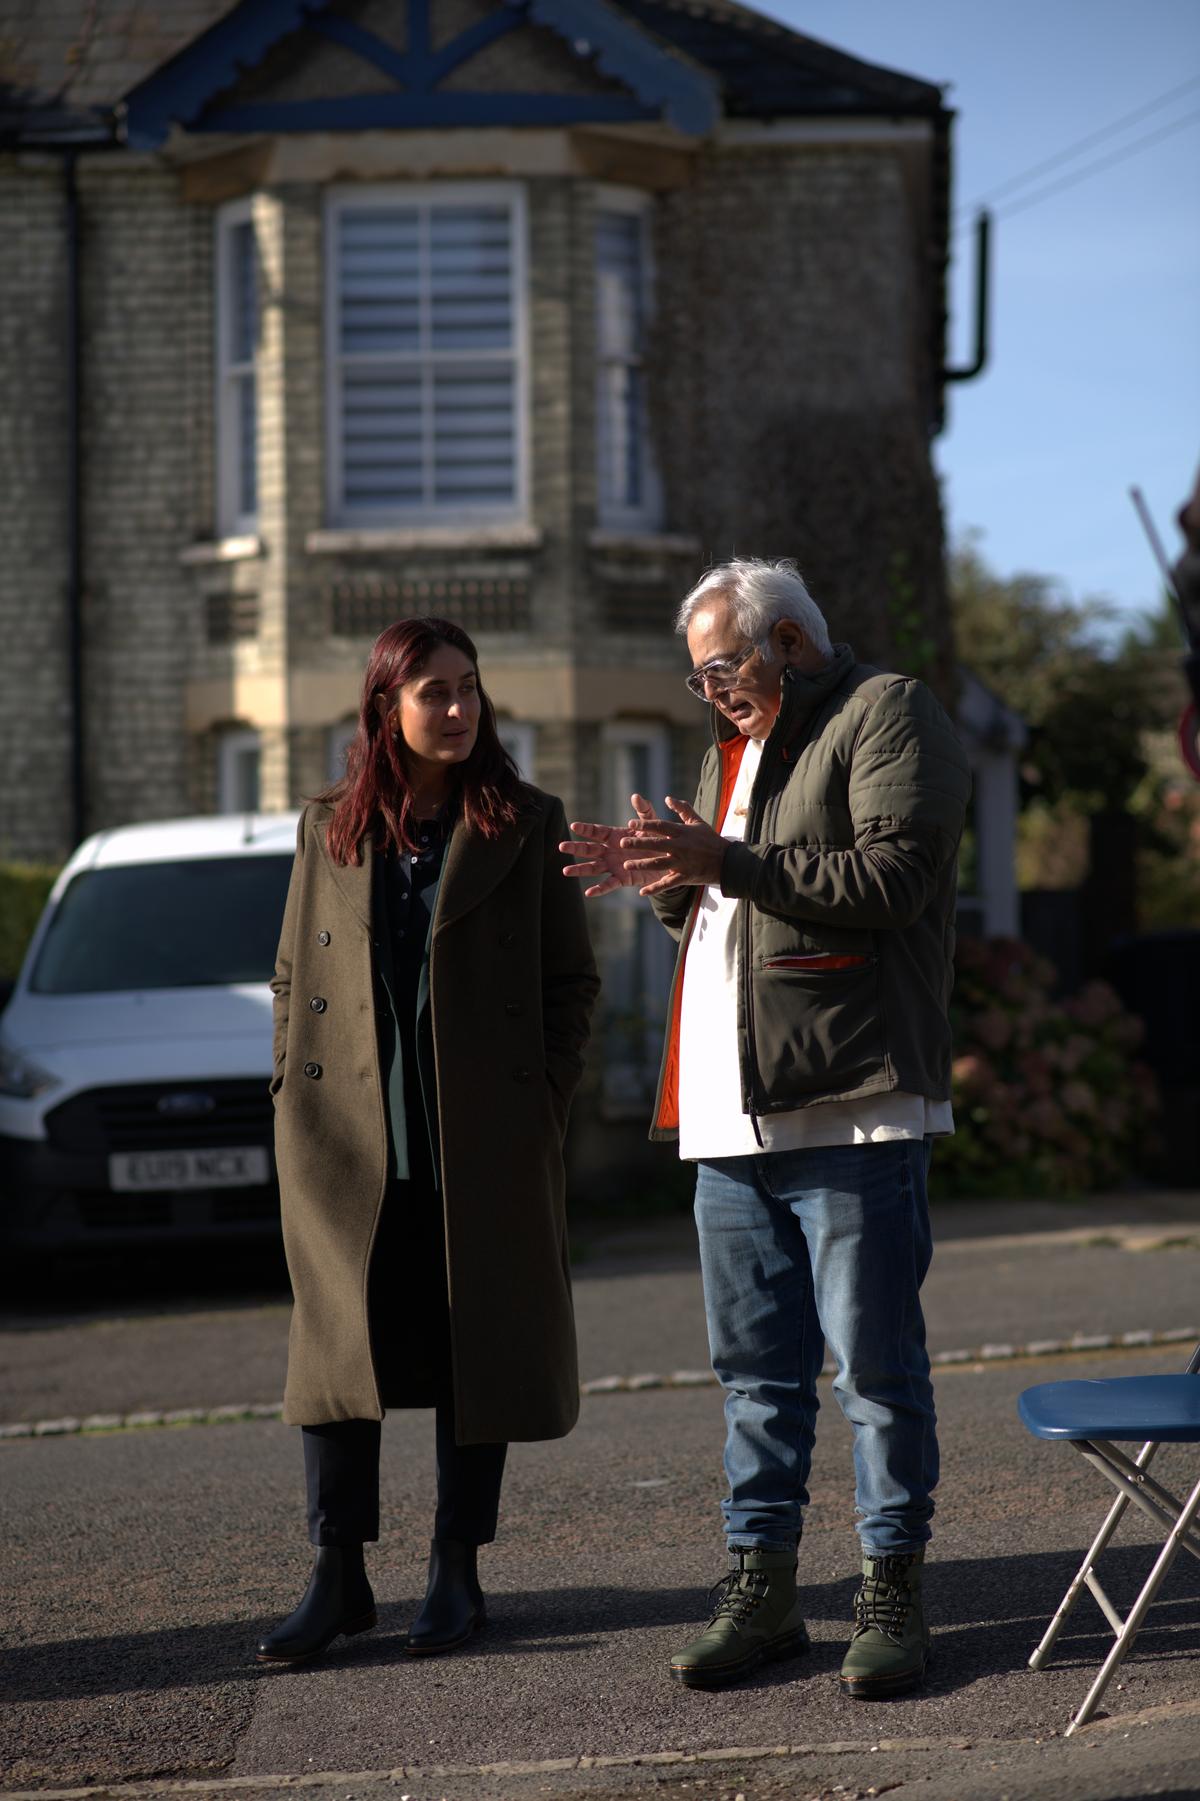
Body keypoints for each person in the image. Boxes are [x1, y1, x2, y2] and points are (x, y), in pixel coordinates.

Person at [562, 559, 970, 1698]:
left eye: (720, 670)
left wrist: (723, 858)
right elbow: (721, 908)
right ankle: (765, 1588)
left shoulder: (888, 712)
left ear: (786, 641)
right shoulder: (729, 749)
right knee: (754, 1376)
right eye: (696, 678)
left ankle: (892, 1589)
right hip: (727, 1119)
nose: (710, 695)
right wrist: (665, 876)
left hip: (852, 1105)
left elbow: (893, 875)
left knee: (875, 1373)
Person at [258, 616, 598, 1668]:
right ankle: (338, 1570)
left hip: (479, 1139)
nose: (457, 710)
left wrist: (540, 1096)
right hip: (343, 1140)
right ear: (385, 708)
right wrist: (287, 1087)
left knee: (474, 1347)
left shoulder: (523, 823)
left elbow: (570, 981)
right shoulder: (330, 829)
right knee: (337, 1359)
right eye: (433, 693)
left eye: (468, 688)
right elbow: (288, 978)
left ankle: (458, 1565)